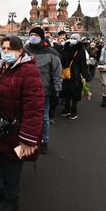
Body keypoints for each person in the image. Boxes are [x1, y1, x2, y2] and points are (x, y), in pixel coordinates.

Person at [0, 36, 44, 211]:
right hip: (0, 127)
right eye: (3, 49)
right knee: (2, 160)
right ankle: (6, 191)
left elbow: (34, 109)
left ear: (20, 51)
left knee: (12, 166)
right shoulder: (3, 67)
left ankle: (11, 200)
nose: (5, 52)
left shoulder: (29, 72)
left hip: (16, 131)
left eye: (9, 49)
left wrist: (28, 139)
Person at [24, 27, 62, 155]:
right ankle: (28, 139)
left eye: (35, 34)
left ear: (41, 37)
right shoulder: (24, 51)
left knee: (44, 117)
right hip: (26, 89)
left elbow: (57, 73)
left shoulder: (51, 53)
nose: (33, 36)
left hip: (43, 91)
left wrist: (57, 90)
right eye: (31, 34)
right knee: (25, 116)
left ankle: (44, 141)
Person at [60, 33, 90, 120]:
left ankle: (70, 110)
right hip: (72, 74)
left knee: (70, 93)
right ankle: (70, 110)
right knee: (70, 93)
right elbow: (83, 64)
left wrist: (85, 76)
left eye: (74, 38)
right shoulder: (78, 49)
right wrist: (86, 76)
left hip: (70, 74)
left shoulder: (69, 48)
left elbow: (62, 60)